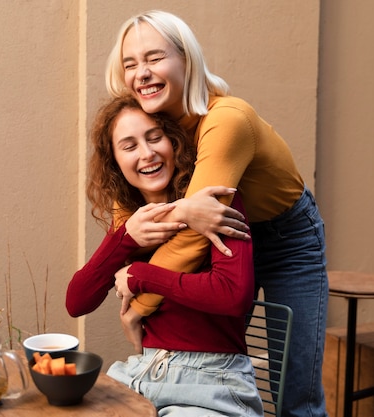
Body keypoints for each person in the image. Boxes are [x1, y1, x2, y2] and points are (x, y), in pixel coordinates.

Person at [106, 10, 329, 417]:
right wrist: (180, 212)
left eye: (154, 58)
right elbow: (130, 206)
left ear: (186, 59)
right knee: (213, 362)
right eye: (130, 63)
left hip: (286, 241)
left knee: (296, 391)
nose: (141, 72)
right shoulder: (152, 121)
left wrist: (138, 303)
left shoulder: (225, 119)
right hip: (223, 239)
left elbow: (193, 235)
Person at [66, 95, 263, 417]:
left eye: (154, 137)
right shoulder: (131, 220)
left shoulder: (216, 201)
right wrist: (126, 237)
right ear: (115, 161)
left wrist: (141, 277)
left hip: (212, 379)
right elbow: (77, 302)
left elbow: (232, 296)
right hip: (141, 373)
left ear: (174, 142)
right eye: (129, 146)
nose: (147, 153)